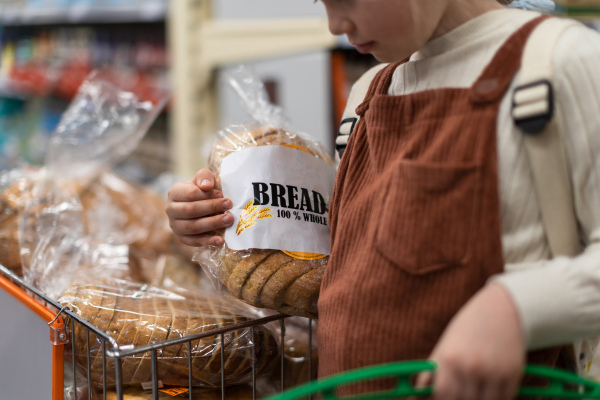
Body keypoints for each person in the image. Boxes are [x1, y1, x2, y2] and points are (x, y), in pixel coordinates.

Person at [166, 0, 600, 399]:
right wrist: (223, 218)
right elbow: (355, 263)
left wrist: (517, 308)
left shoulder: (560, 62)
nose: (336, 24)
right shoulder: (367, 96)